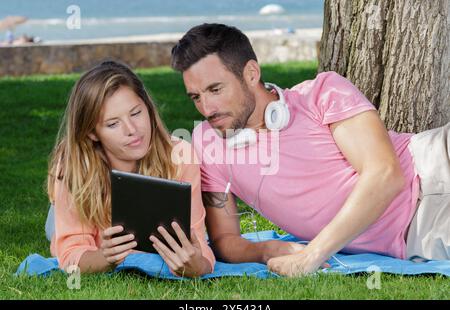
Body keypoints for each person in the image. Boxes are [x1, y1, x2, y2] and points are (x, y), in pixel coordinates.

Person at [170, 23, 449, 276]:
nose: (206, 108)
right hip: (422, 227)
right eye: (196, 96)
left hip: (434, 160)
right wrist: (268, 250)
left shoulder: (322, 93)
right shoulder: (207, 142)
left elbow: (385, 174)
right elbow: (224, 241)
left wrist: (312, 255)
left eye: (215, 89)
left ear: (251, 73)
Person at [46, 60, 215, 277]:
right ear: (92, 133)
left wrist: (196, 266)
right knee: (55, 232)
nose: (132, 130)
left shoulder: (181, 156)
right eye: (113, 124)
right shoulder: (72, 166)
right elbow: (70, 255)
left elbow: (199, 242)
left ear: (148, 108)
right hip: (71, 207)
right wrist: (104, 257)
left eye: (136, 113)